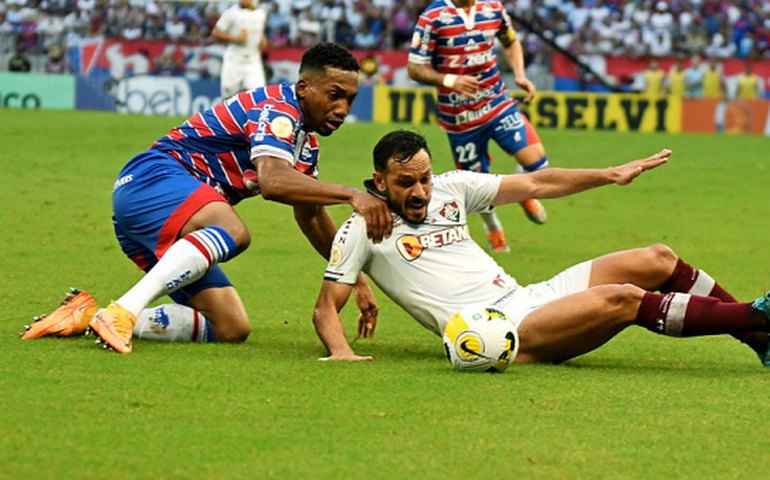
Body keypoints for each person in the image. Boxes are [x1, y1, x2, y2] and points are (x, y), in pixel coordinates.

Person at [21, 43, 391, 354]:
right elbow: (274, 182)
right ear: (304, 87)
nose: (343, 109)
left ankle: (87, 315)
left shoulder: (305, 144)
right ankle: (123, 310)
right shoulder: (279, 109)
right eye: (334, 95)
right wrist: (353, 195)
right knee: (232, 229)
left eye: (350, 99)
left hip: (175, 215)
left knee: (230, 326)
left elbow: (309, 216)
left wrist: (353, 278)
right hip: (154, 179)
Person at [311, 130, 770, 367]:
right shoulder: (360, 229)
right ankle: (757, 314)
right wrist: (341, 351)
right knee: (625, 299)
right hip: (496, 334)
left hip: (528, 297)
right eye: (405, 182)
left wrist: (610, 173)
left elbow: (536, 180)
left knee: (656, 258)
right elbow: (326, 307)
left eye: (424, 178)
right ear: (379, 182)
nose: (420, 190)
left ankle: (758, 339)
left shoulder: (453, 188)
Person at [407, 0, 549, 254]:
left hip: (496, 101)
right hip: (460, 118)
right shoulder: (433, 17)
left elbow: (510, 40)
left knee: (538, 161)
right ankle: (493, 229)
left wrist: (520, 74)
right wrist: (450, 80)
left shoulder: (493, 8)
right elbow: (414, 68)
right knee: (479, 187)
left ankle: (522, 191)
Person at [211, 0, 268, 98]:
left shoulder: (261, 14)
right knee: (228, 94)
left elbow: (259, 32)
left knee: (259, 94)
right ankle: (226, 113)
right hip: (234, 58)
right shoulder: (231, 13)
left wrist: (262, 40)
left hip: (253, 59)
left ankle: (255, 113)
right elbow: (215, 33)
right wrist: (235, 38)